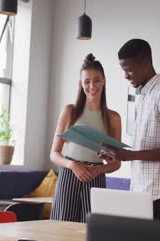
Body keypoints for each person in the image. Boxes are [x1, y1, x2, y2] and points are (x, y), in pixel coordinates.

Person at [103, 39, 160, 220]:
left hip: (156, 189)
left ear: (145, 63)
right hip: (142, 187)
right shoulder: (143, 95)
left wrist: (129, 155)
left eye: (129, 69)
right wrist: (117, 154)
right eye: (123, 70)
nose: (125, 75)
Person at [49, 54, 121, 223]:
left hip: (95, 178)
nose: (92, 86)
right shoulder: (69, 112)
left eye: (96, 80)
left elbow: (116, 162)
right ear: (81, 84)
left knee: (91, 235)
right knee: (62, 231)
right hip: (69, 175)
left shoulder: (113, 118)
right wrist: (73, 165)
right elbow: (54, 154)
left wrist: (97, 170)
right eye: (86, 81)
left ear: (103, 81)